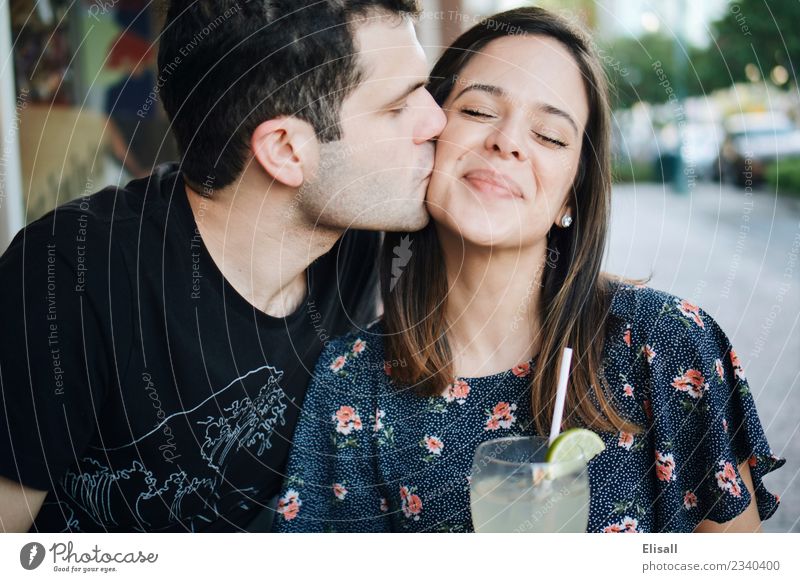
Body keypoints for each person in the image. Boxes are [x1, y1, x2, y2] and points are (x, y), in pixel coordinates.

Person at [271, 7, 785, 533]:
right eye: (477, 111)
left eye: (550, 136)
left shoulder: (669, 346)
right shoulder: (349, 389)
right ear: (428, 137)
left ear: (571, 195)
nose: (509, 141)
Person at [0, 0, 445, 532]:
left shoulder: (358, 238)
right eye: (398, 107)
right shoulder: (67, 280)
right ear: (284, 149)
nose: (436, 119)